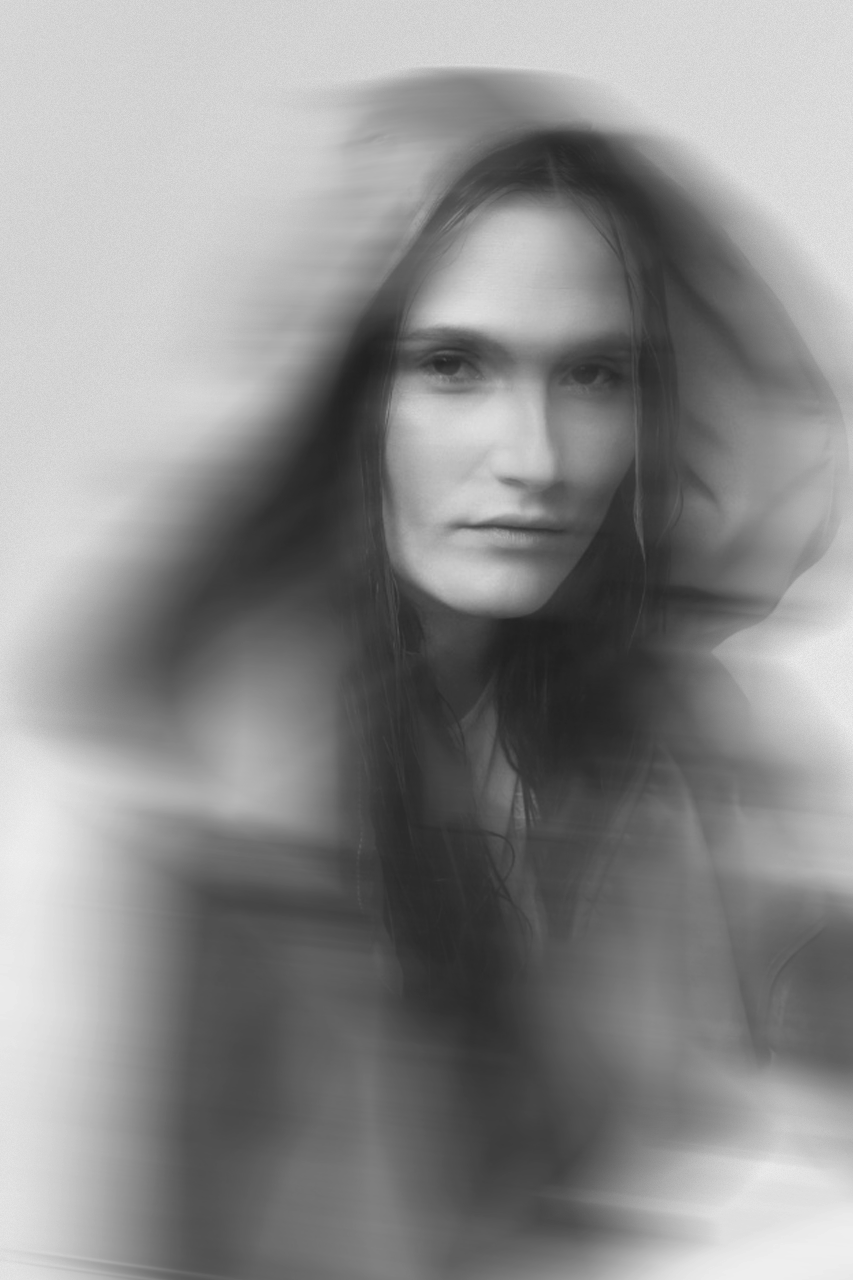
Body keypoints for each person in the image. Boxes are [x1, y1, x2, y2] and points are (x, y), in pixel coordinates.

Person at [11, 70, 852, 1279]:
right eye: (454, 366)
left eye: (594, 374)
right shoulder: (181, 793)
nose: (534, 457)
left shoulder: (659, 748)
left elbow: (807, 991)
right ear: (344, 397)